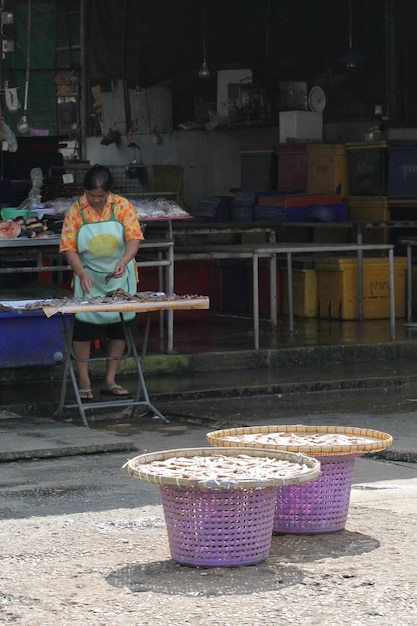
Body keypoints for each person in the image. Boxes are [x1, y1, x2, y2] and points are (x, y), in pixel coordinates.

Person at [59, 164, 144, 400]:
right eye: (92, 195)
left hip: (119, 278)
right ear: (84, 191)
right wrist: (82, 273)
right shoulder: (76, 210)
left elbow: (134, 238)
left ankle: (110, 380)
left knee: (119, 329)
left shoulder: (123, 206)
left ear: (109, 192)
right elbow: (69, 248)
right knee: (83, 330)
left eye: (101, 196)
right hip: (88, 278)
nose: (96, 201)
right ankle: (84, 382)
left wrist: (124, 261)